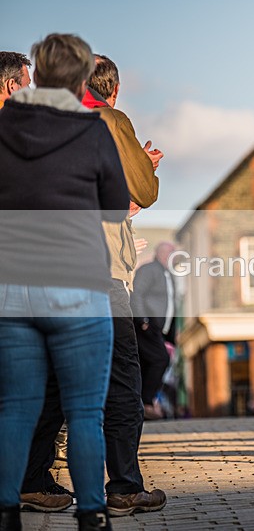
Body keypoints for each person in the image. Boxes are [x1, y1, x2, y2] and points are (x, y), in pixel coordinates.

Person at [21, 53, 167, 518]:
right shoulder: (110, 119)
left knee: (56, 383)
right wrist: (143, 164)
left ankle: (32, 480)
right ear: (113, 89)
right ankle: (124, 486)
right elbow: (143, 193)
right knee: (123, 377)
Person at [0, 33, 129, 529]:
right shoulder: (91, 129)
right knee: (83, 412)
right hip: (78, 285)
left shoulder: (2, 125)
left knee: (15, 408)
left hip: (12, 288)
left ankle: (8, 511)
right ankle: (92, 516)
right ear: (78, 79)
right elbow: (117, 204)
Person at [131, 242, 178, 421]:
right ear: (160, 254)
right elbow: (137, 294)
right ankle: (147, 401)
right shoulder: (149, 269)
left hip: (159, 328)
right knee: (161, 358)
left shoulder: (168, 274)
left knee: (147, 363)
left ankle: (140, 403)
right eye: (169, 254)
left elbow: (172, 304)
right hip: (146, 325)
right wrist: (143, 319)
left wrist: (172, 333)